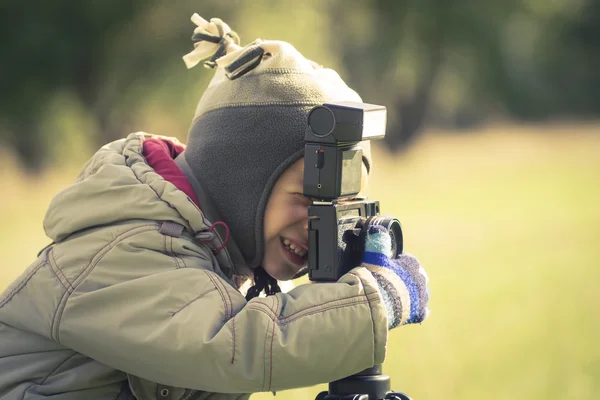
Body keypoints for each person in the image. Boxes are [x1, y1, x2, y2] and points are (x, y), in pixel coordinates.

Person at [0, 14, 429, 400]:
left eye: (337, 207)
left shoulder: (213, 262)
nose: (315, 224)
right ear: (243, 179)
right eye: (305, 198)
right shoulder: (130, 244)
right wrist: (376, 300)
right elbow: (236, 346)